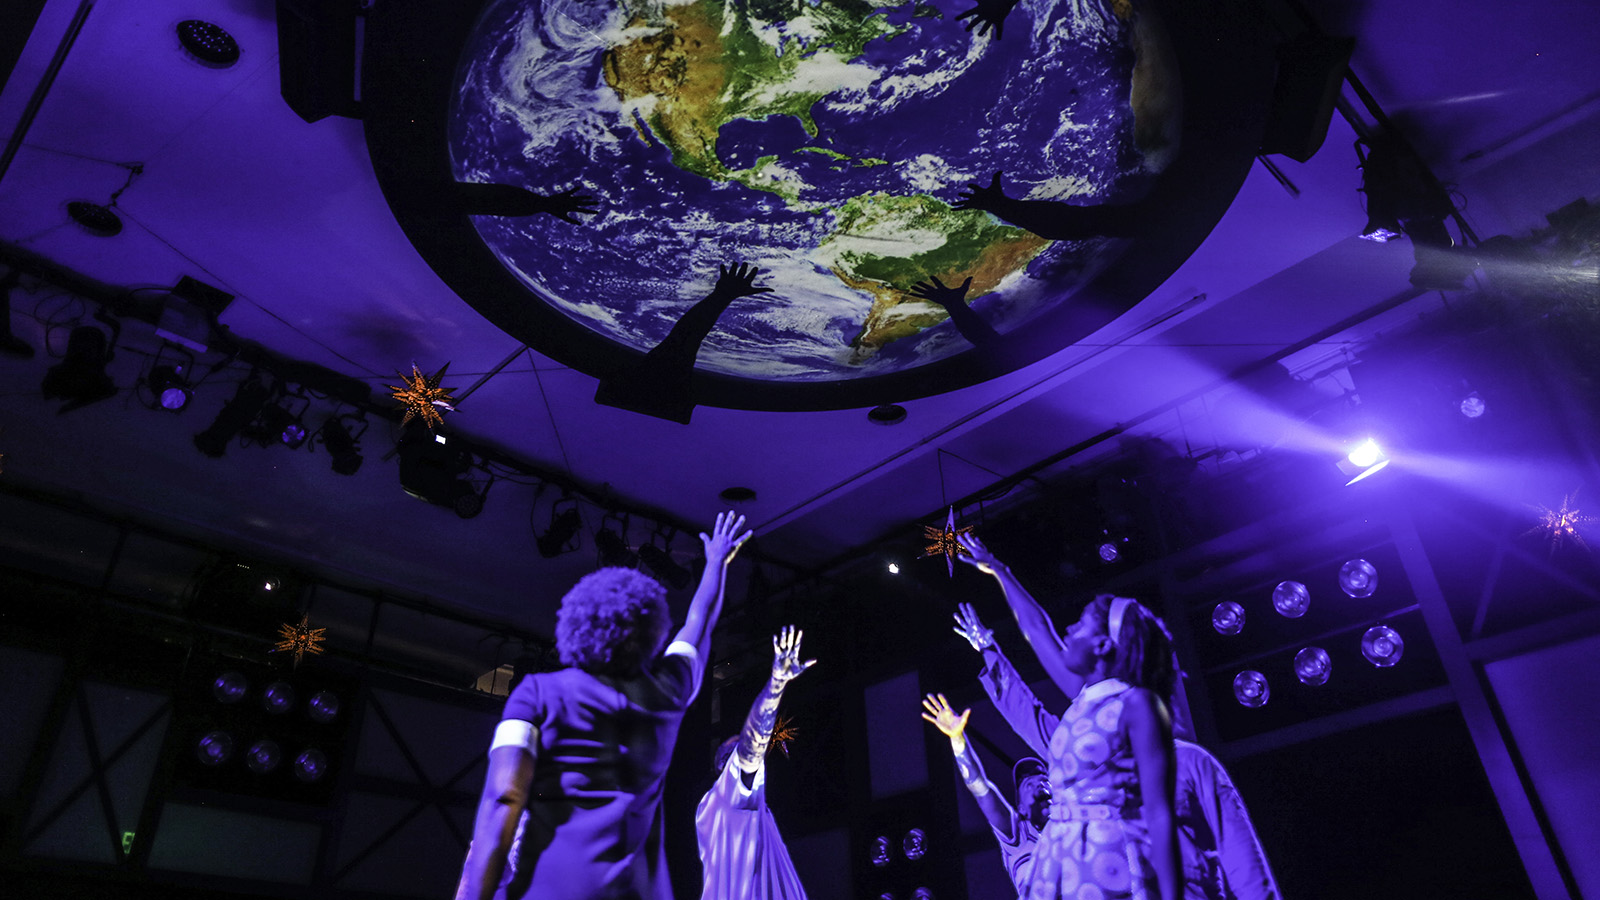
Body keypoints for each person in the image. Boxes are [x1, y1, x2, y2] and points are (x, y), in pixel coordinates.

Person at [454, 511, 752, 900]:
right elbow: (699, 623)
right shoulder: (662, 693)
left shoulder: (537, 693)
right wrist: (715, 564)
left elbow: (503, 797)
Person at [953, 605, 1281, 900]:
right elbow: (1028, 715)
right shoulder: (1084, 761)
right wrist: (988, 649)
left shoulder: (1192, 764)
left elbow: (1247, 872)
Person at [956, 534, 1182, 900]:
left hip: (1119, 868)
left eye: (1081, 625)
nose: (1069, 630)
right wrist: (999, 570)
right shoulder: (1081, 714)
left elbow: (1160, 812)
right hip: (1072, 875)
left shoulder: (1133, 706)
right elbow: (1036, 630)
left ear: (1103, 645)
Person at [695, 625, 816, 899]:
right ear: (723, 766)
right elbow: (751, 747)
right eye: (734, 752)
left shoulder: (752, 812)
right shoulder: (724, 798)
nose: (748, 754)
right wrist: (776, 683)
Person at [921, 692, 1050, 895]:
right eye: (1029, 785)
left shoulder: (1074, 825)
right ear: (1021, 808)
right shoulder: (1018, 836)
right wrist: (957, 740)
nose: (1040, 785)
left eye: (1044, 780)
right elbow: (980, 788)